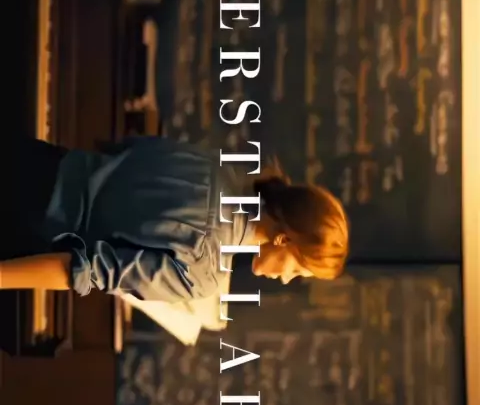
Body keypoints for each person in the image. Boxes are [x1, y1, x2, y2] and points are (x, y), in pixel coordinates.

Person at [0, 136, 349, 303]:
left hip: (38, 158)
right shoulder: (204, 274)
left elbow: (121, 147)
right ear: (284, 238)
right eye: (298, 269)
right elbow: (81, 270)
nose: (287, 279)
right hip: (29, 226)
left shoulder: (220, 166)